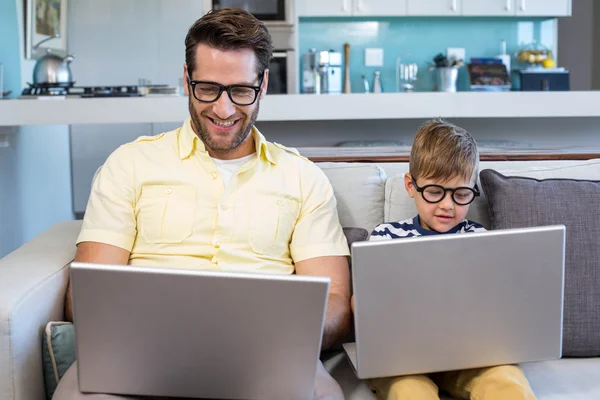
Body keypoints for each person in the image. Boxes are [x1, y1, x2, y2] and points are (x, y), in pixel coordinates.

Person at [55, 8, 351, 400]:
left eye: (241, 90)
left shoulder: (303, 178)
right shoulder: (129, 165)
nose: (224, 110)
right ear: (186, 80)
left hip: (269, 362)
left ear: (262, 85)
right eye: (208, 88)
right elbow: (88, 291)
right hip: (140, 356)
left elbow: (335, 305)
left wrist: (281, 335)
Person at [360, 120, 537, 400]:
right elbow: (363, 305)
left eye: (461, 194)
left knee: (507, 383)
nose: (447, 204)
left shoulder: (480, 239)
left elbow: (498, 305)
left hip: (470, 357)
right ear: (410, 185)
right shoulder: (386, 237)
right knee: (409, 392)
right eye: (434, 191)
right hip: (403, 361)